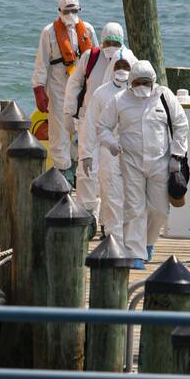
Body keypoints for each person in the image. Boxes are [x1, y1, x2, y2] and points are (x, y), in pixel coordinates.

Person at [97, 60, 188, 266]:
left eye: (145, 82)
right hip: (131, 161)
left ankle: (148, 242)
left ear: (153, 81)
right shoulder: (120, 100)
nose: (141, 86)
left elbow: (181, 124)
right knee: (134, 209)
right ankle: (135, 253)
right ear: (130, 82)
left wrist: (177, 155)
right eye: (137, 82)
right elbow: (102, 126)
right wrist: (111, 143)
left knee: (160, 210)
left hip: (161, 162)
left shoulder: (164, 96)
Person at [64, 21, 137, 232]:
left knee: (111, 177)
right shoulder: (91, 57)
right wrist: (69, 112)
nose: (110, 46)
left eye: (115, 42)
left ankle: (109, 222)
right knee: (86, 172)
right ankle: (88, 216)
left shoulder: (129, 61)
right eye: (107, 41)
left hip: (115, 130)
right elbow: (74, 84)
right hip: (89, 119)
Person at [31, 0, 97, 179]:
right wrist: (39, 89)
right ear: (59, 11)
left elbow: (97, 58)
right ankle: (62, 173)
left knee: (84, 127)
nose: (71, 14)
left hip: (82, 88)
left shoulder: (88, 30)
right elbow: (41, 63)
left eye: (74, 10)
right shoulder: (48, 32)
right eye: (67, 11)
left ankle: (80, 167)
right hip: (58, 87)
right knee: (58, 131)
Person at [78, 56, 132, 245]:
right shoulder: (101, 94)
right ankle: (113, 240)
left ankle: (128, 240)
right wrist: (86, 154)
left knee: (131, 198)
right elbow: (90, 125)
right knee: (111, 196)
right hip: (108, 151)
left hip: (133, 152)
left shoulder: (136, 93)